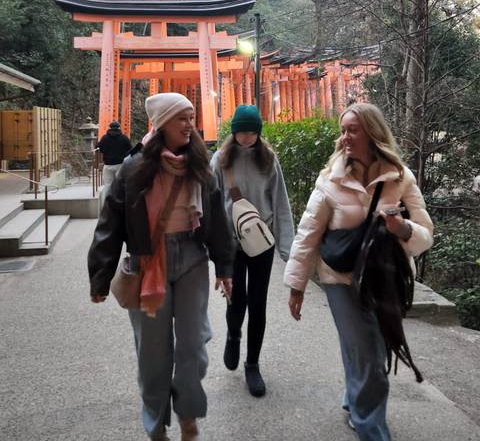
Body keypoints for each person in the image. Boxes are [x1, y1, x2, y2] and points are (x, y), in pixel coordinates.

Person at [88, 93, 235, 441]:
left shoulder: (201, 164)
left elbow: (216, 219)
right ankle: (155, 425)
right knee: (153, 354)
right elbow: (111, 224)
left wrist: (225, 267)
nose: (189, 124)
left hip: (192, 258)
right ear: (162, 122)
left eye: (191, 117)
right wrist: (100, 276)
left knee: (193, 346)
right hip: (146, 261)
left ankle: (188, 413)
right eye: (181, 118)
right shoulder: (134, 168)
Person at [284, 102, 434, 440]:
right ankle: (372, 429)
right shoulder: (330, 179)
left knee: (370, 350)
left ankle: (355, 402)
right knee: (366, 353)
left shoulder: (400, 177)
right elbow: (308, 233)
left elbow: (425, 234)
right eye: (343, 130)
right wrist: (297, 286)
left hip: (383, 279)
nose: (345, 137)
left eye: (352, 129)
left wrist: (402, 229)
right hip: (340, 279)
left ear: (372, 132)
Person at [211, 104, 294, 397]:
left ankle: (252, 364)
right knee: (237, 300)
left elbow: (280, 202)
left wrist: (287, 248)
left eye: (252, 131)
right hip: (232, 244)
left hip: (261, 242)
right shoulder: (220, 160)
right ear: (233, 132)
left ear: (259, 132)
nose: (246, 137)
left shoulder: (268, 160)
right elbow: (210, 205)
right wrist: (213, 247)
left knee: (258, 303)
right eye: (241, 131)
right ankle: (233, 336)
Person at [97, 120, 132, 185]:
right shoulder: (124, 138)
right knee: (119, 185)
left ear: (109, 128)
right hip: (120, 164)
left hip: (108, 164)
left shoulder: (104, 138)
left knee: (108, 185)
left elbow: (99, 148)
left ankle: (108, 195)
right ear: (119, 128)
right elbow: (130, 150)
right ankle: (118, 195)